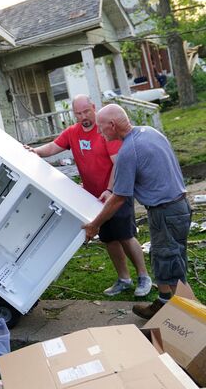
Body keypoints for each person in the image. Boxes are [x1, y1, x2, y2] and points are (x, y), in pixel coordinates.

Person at [25, 95, 152, 297]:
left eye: (87, 111)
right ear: (74, 114)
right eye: (79, 113)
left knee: (125, 235)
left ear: (93, 108)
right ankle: (124, 279)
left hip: (117, 193)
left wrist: (110, 190)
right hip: (94, 199)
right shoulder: (72, 133)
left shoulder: (104, 131)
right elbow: (53, 147)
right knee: (109, 238)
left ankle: (144, 277)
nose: (84, 116)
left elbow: (117, 163)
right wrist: (35, 151)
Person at [83, 104, 191, 319]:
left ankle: (189, 320)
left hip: (165, 211)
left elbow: (119, 200)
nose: (100, 132)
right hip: (180, 206)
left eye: (101, 127)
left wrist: (95, 224)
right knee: (166, 258)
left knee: (170, 264)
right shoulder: (150, 132)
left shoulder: (127, 151)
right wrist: (111, 190)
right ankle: (164, 302)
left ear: (112, 125)